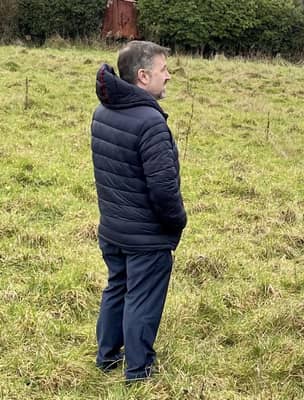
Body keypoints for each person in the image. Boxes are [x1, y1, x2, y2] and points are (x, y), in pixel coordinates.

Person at [91, 41, 187, 382]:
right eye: (164, 70)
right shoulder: (150, 123)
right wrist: (177, 223)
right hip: (146, 235)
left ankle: (106, 357)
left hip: (113, 228)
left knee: (117, 287)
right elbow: (163, 189)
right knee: (142, 300)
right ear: (143, 76)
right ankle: (138, 370)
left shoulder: (103, 111)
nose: (169, 77)